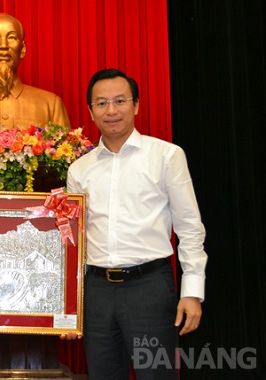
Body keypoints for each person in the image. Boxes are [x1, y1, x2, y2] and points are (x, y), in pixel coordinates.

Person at [65, 68, 207, 379]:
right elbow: (73, 241)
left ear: (137, 105)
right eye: (101, 103)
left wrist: (192, 291)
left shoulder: (167, 156)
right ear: (90, 111)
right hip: (96, 292)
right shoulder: (79, 170)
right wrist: (68, 308)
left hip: (149, 289)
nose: (111, 110)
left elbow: (190, 228)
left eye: (120, 101)